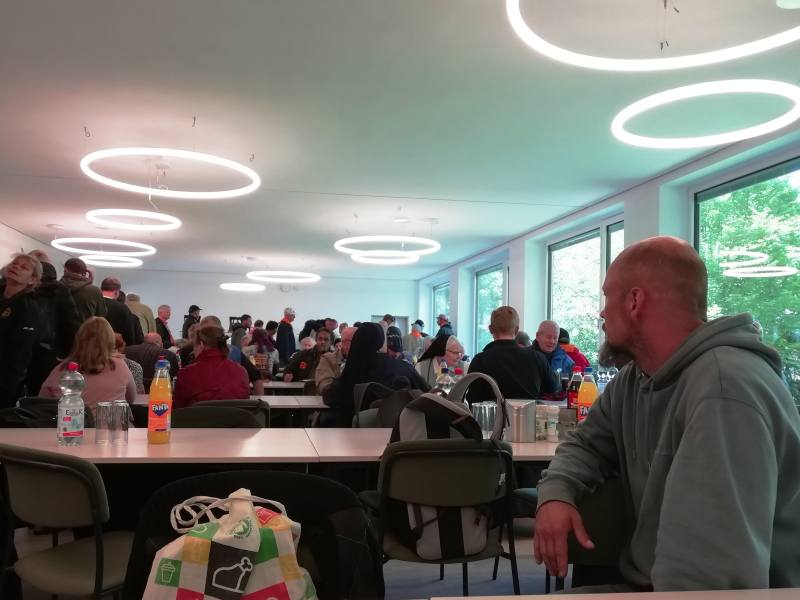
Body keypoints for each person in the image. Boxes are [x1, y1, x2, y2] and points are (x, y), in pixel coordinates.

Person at [534, 236, 800, 590]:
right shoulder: (635, 378)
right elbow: (586, 445)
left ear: (634, 301)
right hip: (649, 584)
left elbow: (709, 581)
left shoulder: (724, 389)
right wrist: (556, 492)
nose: (601, 313)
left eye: (607, 297)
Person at [322, 322, 429, 426]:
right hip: (399, 432)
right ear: (382, 342)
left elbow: (329, 397)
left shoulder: (352, 370)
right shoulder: (404, 368)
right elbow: (426, 393)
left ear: (356, 341)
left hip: (352, 433)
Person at [40, 317, 137, 414]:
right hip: (111, 422)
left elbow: (41, 402)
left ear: (79, 339)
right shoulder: (120, 366)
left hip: (69, 421)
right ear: (110, 341)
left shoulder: (61, 370)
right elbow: (131, 398)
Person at [467, 306, 558, 403]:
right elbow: (552, 388)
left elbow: (472, 399)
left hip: (493, 413)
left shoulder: (480, 360)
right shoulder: (537, 358)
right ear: (517, 330)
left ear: (490, 329)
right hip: (528, 412)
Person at [26, 250, 81, 396]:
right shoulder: (59, 289)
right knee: (38, 395)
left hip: (16, 350)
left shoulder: (18, 285)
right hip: (48, 352)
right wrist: (66, 355)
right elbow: (71, 325)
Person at [0, 254, 43, 407]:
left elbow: (19, 352)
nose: (16, 267)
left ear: (32, 280)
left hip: (5, 377)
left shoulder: (28, 308)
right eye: (15, 263)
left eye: (24, 267)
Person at [173, 324, 249, 409]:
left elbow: (177, 411)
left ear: (201, 344)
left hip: (198, 417)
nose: (193, 351)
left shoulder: (186, 374)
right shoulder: (242, 372)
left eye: (194, 346)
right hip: (235, 417)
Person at [60, 257, 106, 322]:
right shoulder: (94, 291)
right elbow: (101, 314)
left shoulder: (57, 287)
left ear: (65, 270)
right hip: (85, 328)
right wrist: (89, 283)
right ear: (85, 272)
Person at [316, 326, 356, 394]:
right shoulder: (328, 359)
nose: (322, 342)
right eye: (355, 341)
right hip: (335, 399)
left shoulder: (365, 359)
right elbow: (324, 386)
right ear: (345, 342)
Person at [100, 277, 138, 345]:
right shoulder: (122, 308)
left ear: (101, 289)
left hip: (94, 346)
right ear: (116, 292)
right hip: (115, 347)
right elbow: (129, 334)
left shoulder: (93, 303)